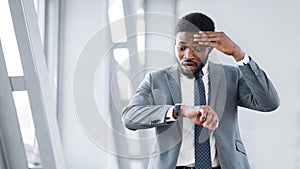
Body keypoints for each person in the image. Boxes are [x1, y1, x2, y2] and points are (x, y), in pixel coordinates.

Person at [122, 12, 280, 169]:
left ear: (210, 48)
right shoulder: (157, 80)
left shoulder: (230, 76)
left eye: (196, 48)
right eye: (182, 48)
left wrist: (238, 54)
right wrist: (179, 111)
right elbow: (130, 118)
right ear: (174, 44)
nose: (188, 55)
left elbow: (269, 103)